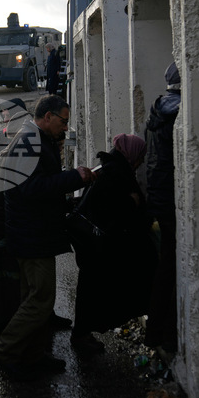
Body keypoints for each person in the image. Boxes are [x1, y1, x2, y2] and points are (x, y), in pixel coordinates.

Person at [0, 95, 94, 380]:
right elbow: (29, 188)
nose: (65, 127)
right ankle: (5, 352)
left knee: (32, 297)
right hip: (31, 234)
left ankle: (32, 355)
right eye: (63, 120)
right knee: (41, 300)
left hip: (35, 232)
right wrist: (75, 178)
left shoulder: (37, 139)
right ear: (46, 117)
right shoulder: (28, 141)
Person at [70, 134, 156, 356]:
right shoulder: (115, 173)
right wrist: (132, 202)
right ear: (132, 154)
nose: (141, 162)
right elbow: (111, 208)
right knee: (92, 290)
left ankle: (83, 333)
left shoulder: (111, 167)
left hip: (90, 241)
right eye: (140, 157)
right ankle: (81, 336)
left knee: (91, 288)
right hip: (95, 243)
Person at [0, 98, 29, 330]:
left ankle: (35, 314)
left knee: (28, 272)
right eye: (3, 115)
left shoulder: (32, 140)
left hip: (23, 216)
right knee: (2, 271)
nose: (6, 118)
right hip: (1, 213)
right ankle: (1, 317)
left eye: (10, 114)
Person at [143, 62, 181, 353]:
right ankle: (160, 332)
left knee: (163, 266)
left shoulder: (157, 112)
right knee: (169, 268)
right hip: (171, 200)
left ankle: (156, 328)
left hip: (157, 196)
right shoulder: (178, 114)